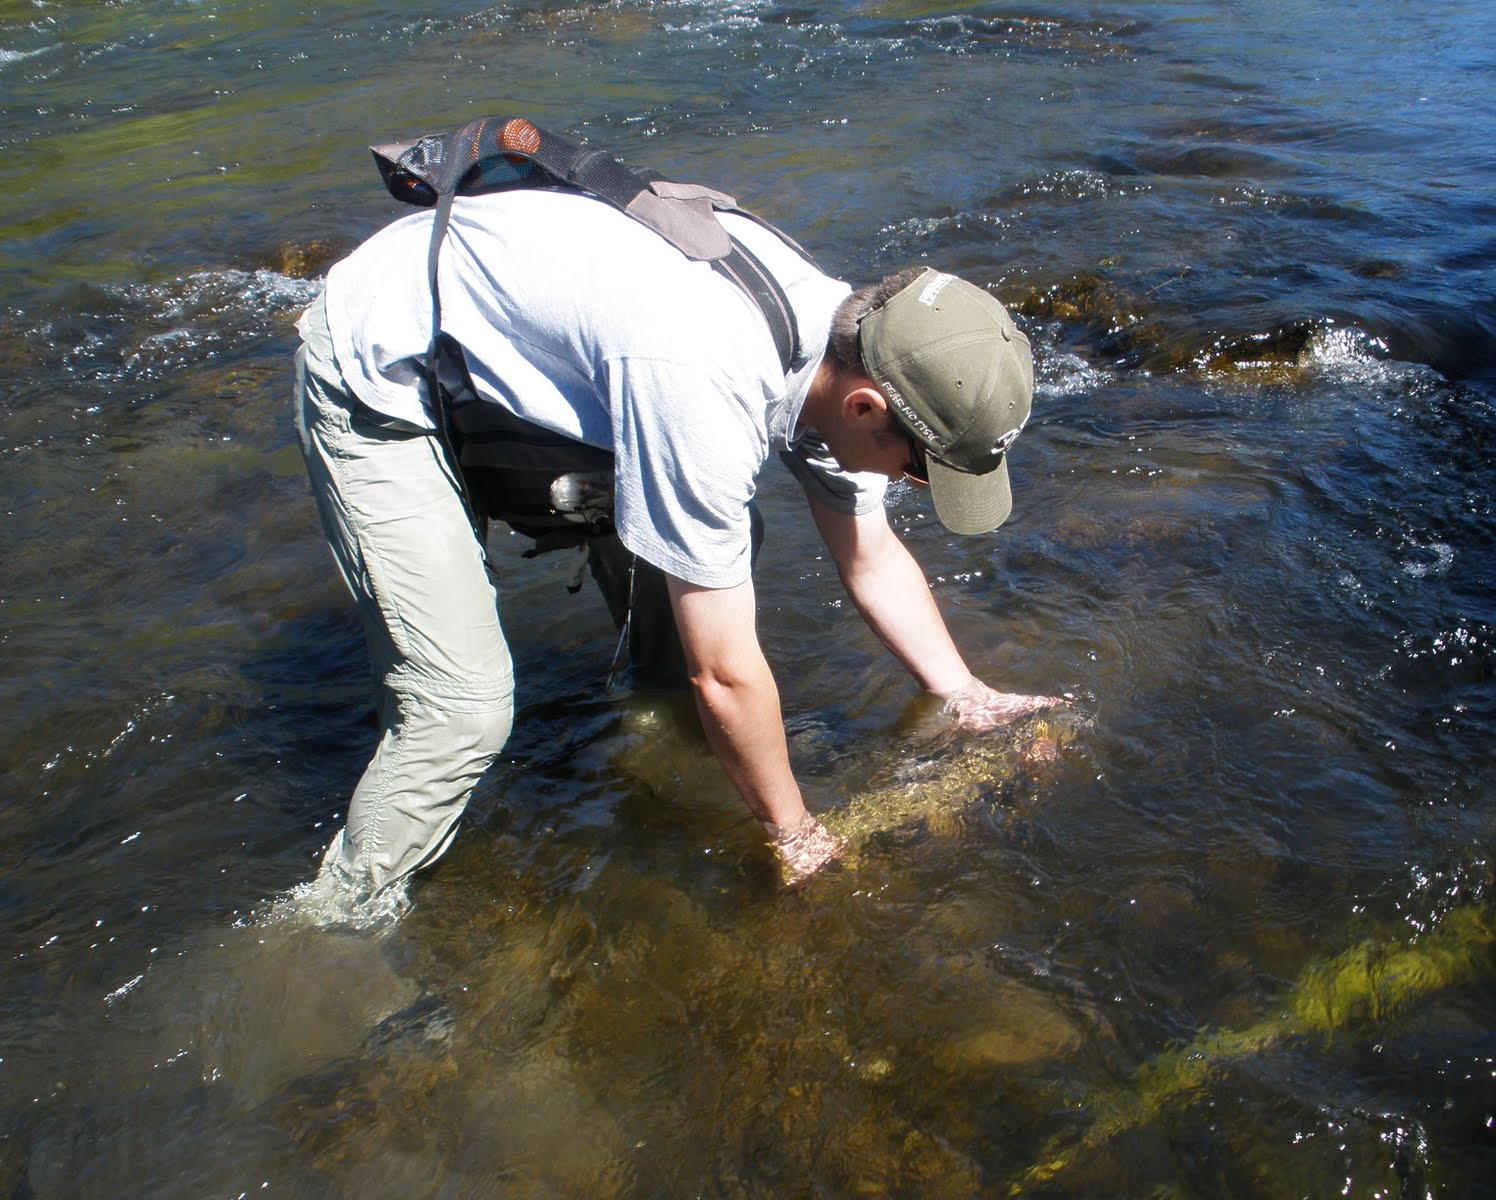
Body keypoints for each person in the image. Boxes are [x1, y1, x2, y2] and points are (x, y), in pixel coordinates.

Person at [292, 181, 1060, 904]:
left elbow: (872, 555)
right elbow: (724, 673)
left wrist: (965, 696)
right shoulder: (706, 377)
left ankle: (647, 724)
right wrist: (794, 835)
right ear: (864, 408)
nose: (914, 488)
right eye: (921, 472)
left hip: (548, 342)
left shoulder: (854, 342)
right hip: (386, 362)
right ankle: (338, 920)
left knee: (713, 544)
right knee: (463, 709)